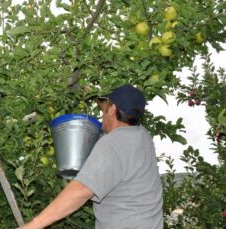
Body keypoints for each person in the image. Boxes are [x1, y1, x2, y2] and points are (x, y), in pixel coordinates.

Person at [17, 84, 163, 229]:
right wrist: (100, 101)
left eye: (106, 109)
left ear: (112, 110)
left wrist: (33, 226)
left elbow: (81, 191)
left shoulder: (112, 144)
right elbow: (121, 116)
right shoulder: (143, 136)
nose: (102, 114)